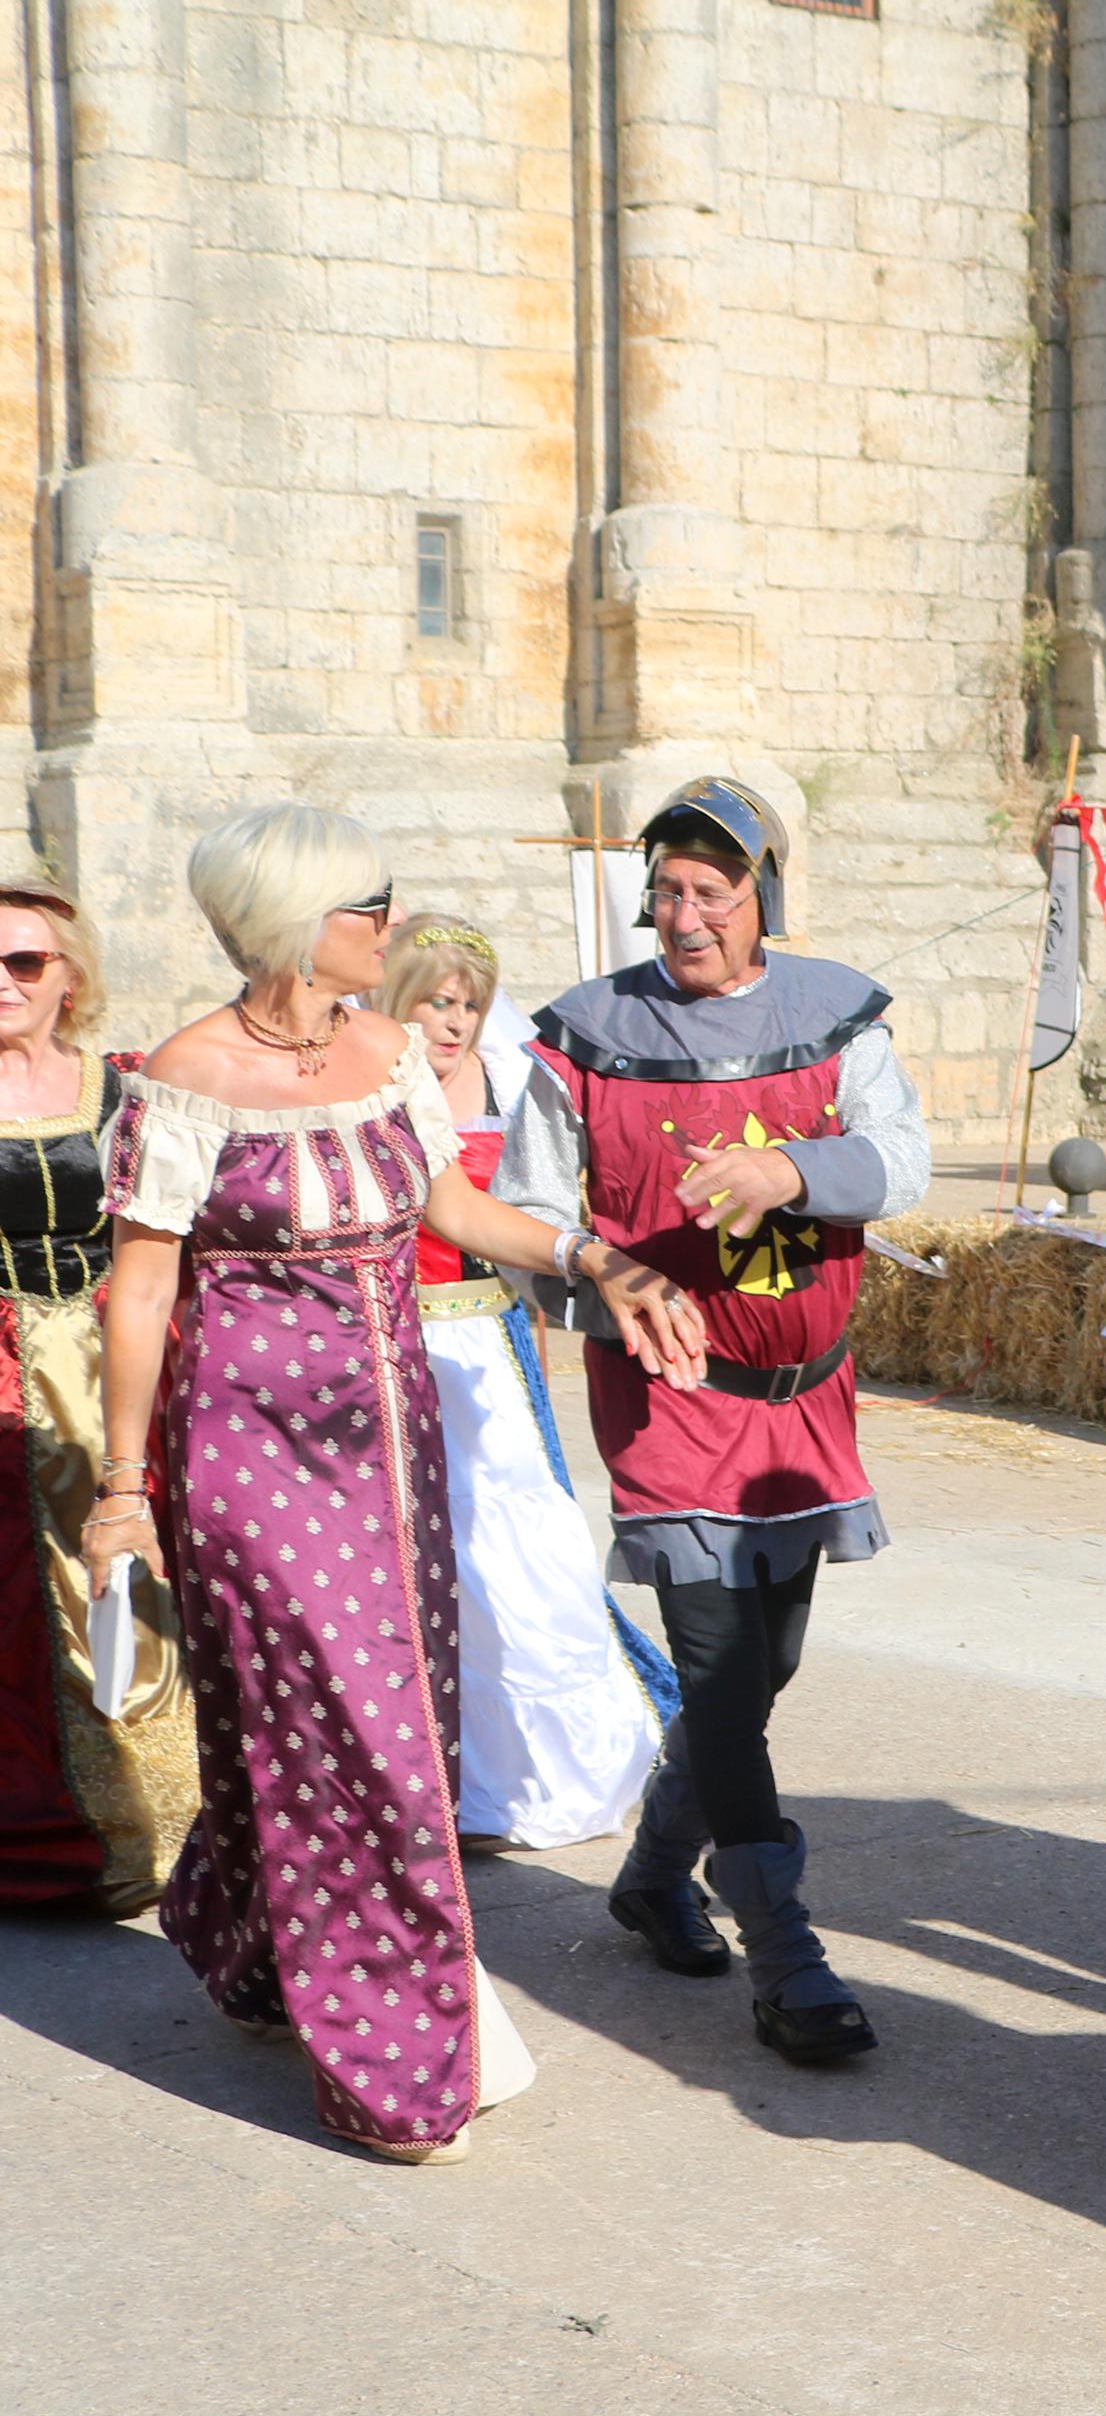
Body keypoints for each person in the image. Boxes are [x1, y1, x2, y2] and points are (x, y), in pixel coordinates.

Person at [95, 804, 706, 2163]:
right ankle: (398, 2055)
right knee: (356, 1731)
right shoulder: (187, 1074)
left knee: (375, 1711)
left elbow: (457, 1212)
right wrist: (119, 1489)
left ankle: (250, 1944)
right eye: (370, 902)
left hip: (394, 1448)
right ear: (301, 918)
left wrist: (593, 1258)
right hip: (245, 1449)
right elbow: (138, 1293)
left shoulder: (384, 1053)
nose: (390, 918)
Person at [496, 777, 930, 2066]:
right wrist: (597, 1268)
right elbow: (525, 1211)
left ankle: (649, 1871)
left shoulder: (835, 1014)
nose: (684, 917)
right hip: (673, 1409)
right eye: (668, 890)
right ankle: (787, 1961)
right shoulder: (584, 1035)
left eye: (712, 892)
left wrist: (788, 1167)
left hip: (806, 1409)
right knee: (727, 1682)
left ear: (761, 900)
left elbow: (902, 1160)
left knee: (766, 1665)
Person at [382, 916, 676, 1850]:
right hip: (400, 1341)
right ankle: (449, 1767)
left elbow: (530, 1218)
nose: (455, 1020)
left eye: (468, 1003)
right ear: (400, 1001)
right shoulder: (373, 1088)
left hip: (490, 1340)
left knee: (525, 1538)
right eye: (437, 1000)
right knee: (436, 1554)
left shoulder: (510, 1081)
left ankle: (554, 1761)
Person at [0, 882, 197, 1913]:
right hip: (4, 1382)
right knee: (19, 1605)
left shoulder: (123, 1089)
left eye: (25, 962)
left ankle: (172, 1823)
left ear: (69, 976)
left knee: (146, 1579)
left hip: (122, 1360)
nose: (4, 981)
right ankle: (44, 1839)